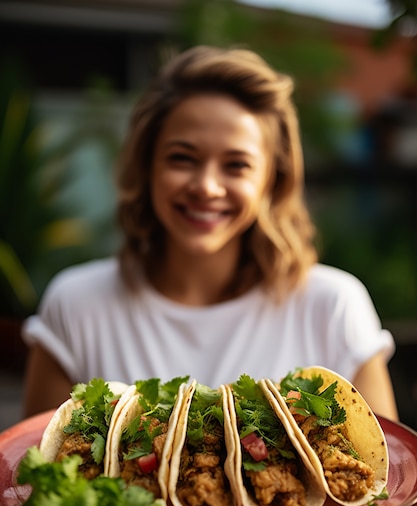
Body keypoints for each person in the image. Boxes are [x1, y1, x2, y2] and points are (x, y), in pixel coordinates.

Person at [21, 45, 399, 421]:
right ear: (147, 166)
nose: (207, 187)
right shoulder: (76, 305)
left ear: (272, 179)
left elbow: (389, 475)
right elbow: (36, 472)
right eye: (182, 158)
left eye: (236, 165)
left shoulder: (332, 308)